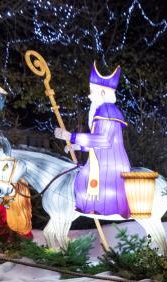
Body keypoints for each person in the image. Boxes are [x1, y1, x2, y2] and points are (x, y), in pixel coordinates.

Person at [54, 62, 131, 218]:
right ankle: (93, 209)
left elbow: (101, 140)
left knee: (83, 180)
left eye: (92, 91)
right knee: (81, 178)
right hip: (103, 158)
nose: (89, 96)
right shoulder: (101, 110)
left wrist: (71, 136)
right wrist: (76, 146)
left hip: (111, 164)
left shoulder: (107, 110)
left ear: (103, 92)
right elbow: (96, 144)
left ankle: (100, 209)